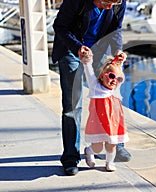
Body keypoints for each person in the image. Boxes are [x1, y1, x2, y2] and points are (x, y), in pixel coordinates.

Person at [51, 0, 131, 176]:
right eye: (106, 2)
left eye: (114, 3)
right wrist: (78, 47)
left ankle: (116, 145)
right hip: (71, 50)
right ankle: (71, 157)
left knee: (113, 97)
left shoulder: (118, 2)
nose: (110, 7)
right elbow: (60, 26)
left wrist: (117, 51)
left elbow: (115, 28)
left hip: (99, 50)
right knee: (73, 105)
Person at [79, 47, 129, 172]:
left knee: (112, 144)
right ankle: (89, 151)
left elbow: (118, 71)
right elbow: (89, 71)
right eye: (111, 76)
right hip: (98, 123)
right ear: (102, 76)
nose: (114, 80)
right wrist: (87, 61)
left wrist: (120, 61)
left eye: (118, 79)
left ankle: (109, 162)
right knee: (97, 148)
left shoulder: (115, 89)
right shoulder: (95, 87)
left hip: (113, 122)